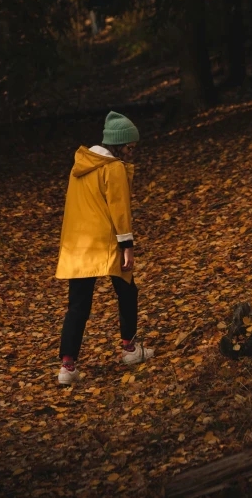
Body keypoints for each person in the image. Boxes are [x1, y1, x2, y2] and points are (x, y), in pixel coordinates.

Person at [55, 111, 153, 385]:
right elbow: (120, 211)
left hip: (78, 245)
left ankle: (67, 367)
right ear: (118, 144)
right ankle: (131, 350)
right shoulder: (113, 168)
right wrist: (128, 247)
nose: (132, 153)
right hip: (106, 242)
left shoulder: (81, 166)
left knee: (78, 306)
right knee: (127, 291)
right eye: (130, 147)